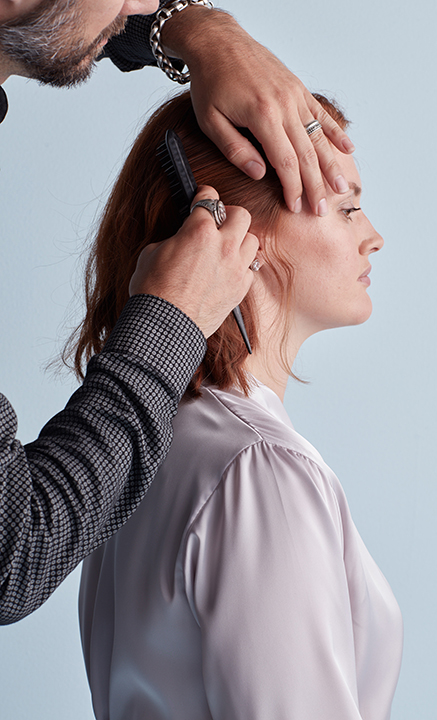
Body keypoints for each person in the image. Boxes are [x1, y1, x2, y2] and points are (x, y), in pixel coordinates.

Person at [0, 0, 357, 624]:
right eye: (347, 207)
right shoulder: (261, 469)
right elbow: (11, 554)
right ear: (251, 235)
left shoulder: (191, 451)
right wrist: (167, 324)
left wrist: (198, 30)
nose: (143, 3)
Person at [78, 90, 403, 720]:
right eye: (348, 208)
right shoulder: (261, 470)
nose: (374, 237)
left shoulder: (136, 444)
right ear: (235, 233)